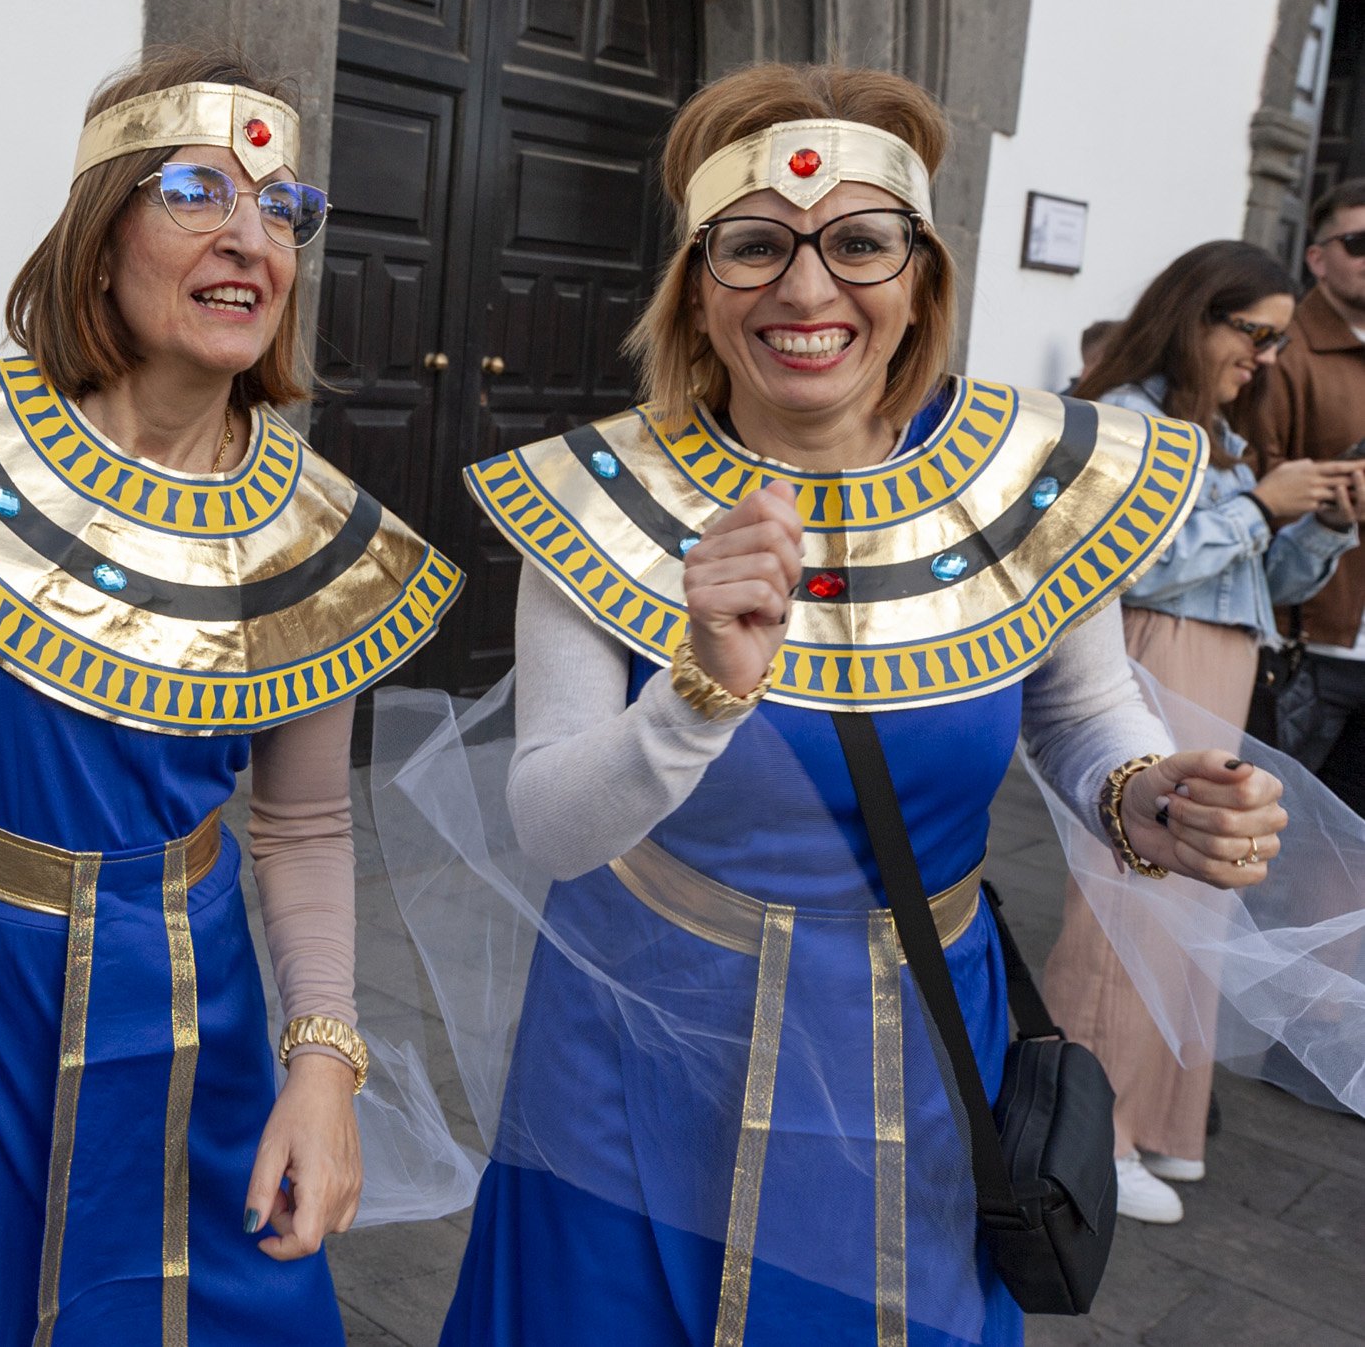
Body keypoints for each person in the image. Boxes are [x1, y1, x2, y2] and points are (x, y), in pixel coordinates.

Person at [377, 65, 1291, 1345]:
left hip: (915, 1044)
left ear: (921, 275)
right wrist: (695, 695)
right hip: (633, 1050)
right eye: (752, 246)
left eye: (860, 242)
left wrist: (1152, 793)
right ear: (698, 284)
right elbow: (549, 826)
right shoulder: (596, 502)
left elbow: (1082, 713)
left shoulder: (1028, 483)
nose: (807, 290)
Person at [0, 47, 460, 1344]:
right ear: (99, 229)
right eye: (197, 191)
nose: (252, 239)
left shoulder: (312, 542)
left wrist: (327, 1061)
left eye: (283, 209)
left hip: (184, 1000)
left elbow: (301, 826)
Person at [1038, 241, 1358, 1225]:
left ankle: (1159, 1121)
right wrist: (1261, 507)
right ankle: (1088, 1135)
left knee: (1197, 911)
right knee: (1126, 911)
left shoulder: (1217, 430)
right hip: (1146, 659)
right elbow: (1128, 562)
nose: (1265, 354)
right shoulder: (1125, 417)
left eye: (1273, 336)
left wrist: (1321, 527)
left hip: (1221, 662)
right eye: (1251, 332)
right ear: (1192, 315)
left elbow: (1262, 587)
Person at [1240, 179, 1365, 813]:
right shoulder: (1280, 358)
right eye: (1358, 242)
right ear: (1317, 256)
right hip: (1309, 642)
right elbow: (1257, 481)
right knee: (1272, 850)